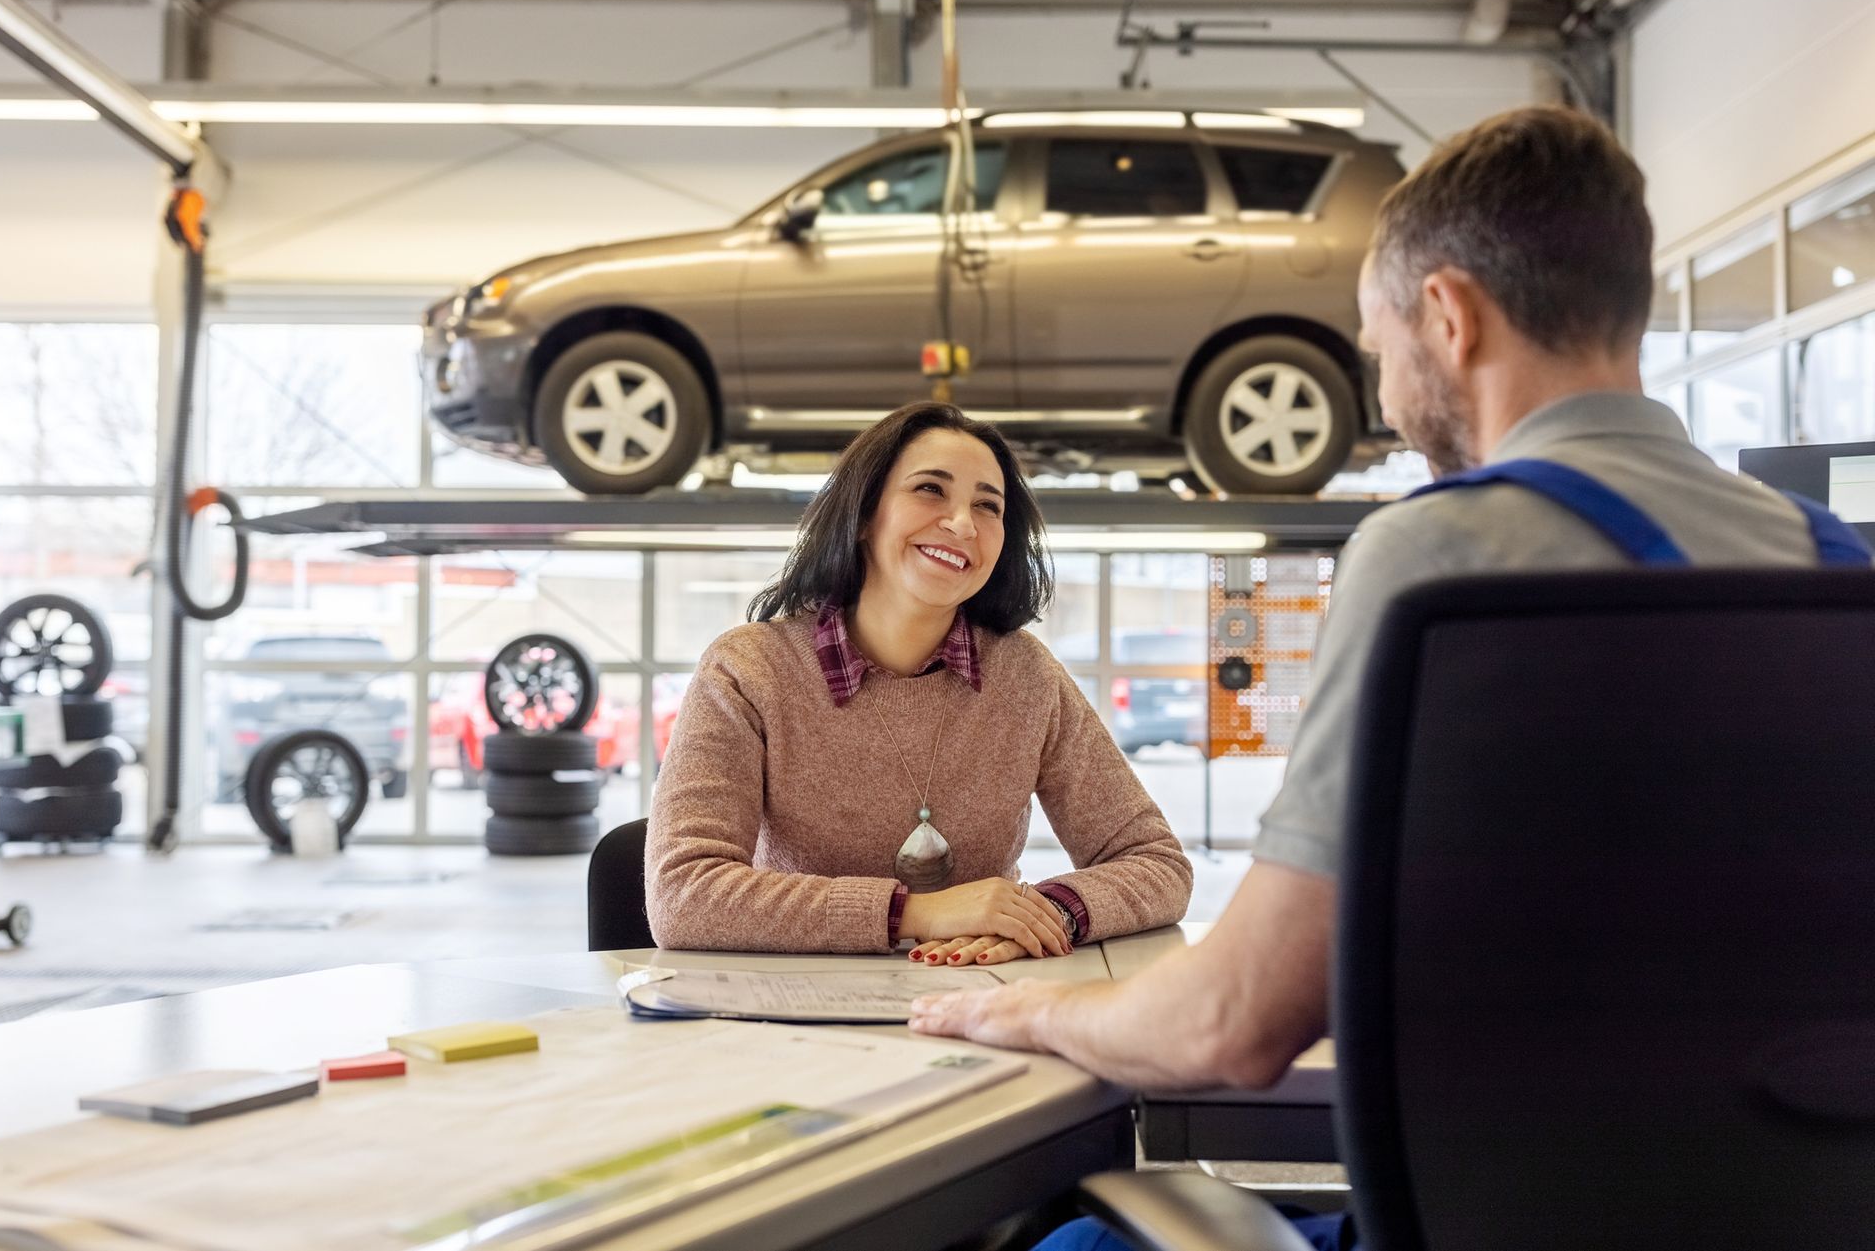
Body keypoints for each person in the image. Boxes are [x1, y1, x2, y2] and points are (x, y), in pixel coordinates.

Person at [907, 104, 1872, 1250]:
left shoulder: (1435, 552)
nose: (1385, 393)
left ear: (1448, 317)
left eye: (1376, 349)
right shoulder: (1837, 567)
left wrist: (1026, 1014)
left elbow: (1233, 1025)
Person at [646, 401, 1192, 963]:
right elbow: (683, 893)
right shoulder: (748, 670)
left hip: (977, 996)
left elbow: (1156, 862)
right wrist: (919, 913)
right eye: (931, 489)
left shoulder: (1027, 676)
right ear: (863, 515)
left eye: (987, 505)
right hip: (794, 1010)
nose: (962, 523)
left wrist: (1045, 912)